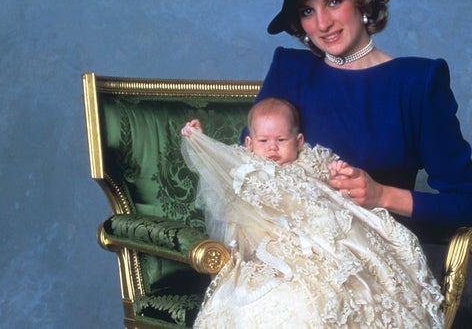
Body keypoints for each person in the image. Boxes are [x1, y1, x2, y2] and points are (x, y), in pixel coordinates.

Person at [255, 0, 472, 243]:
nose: (322, 24)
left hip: (375, 260)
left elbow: (470, 205)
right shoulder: (289, 71)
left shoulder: (417, 83)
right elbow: (248, 174)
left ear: (361, 0)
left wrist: (381, 196)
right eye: (308, 11)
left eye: (333, 2)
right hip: (290, 252)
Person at [180, 98, 444, 328]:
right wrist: (198, 139)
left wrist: (339, 171)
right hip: (270, 240)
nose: (272, 148)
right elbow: (217, 161)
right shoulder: (246, 164)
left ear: (298, 142)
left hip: (316, 234)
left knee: (342, 271)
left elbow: (331, 177)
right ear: (249, 143)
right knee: (263, 289)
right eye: (264, 141)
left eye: (281, 140)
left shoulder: (307, 161)